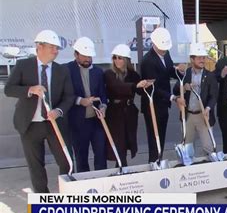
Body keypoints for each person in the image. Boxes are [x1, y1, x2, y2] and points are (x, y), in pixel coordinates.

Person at [4, 29, 75, 193]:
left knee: (66, 160)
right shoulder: (23, 65)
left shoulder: (62, 70)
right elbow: (9, 89)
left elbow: (69, 96)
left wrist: (59, 111)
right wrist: (30, 89)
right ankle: (44, 200)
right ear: (39, 47)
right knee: (36, 165)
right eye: (52, 47)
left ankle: (66, 195)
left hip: (54, 124)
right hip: (30, 124)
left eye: (57, 48)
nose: (56, 51)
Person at [140, 27, 185, 163]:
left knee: (162, 134)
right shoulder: (147, 61)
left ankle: (159, 158)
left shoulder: (166, 53)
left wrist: (179, 72)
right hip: (152, 104)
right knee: (154, 136)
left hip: (164, 104)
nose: (164, 50)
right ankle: (154, 162)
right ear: (153, 44)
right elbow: (153, 86)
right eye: (161, 47)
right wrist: (173, 97)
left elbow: (168, 71)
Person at [104, 44, 152, 166]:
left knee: (127, 141)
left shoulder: (133, 74)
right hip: (114, 113)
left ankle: (122, 166)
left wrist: (146, 84)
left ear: (126, 60)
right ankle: (121, 167)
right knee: (118, 142)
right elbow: (117, 87)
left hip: (129, 112)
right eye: (115, 58)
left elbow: (140, 92)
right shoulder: (109, 74)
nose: (117, 60)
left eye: (120, 58)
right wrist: (135, 86)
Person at [66, 37, 107, 173]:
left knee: (101, 154)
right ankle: (86, 186)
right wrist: (80, 101)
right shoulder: (67, 70)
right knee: (81, 157)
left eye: (89, 56)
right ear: (75, 54)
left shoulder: (98, 72)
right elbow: (64, 95)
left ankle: (102, 183)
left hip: (96, 121)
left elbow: (103, 95)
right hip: (78, 122)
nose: (87, 59)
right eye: (84, 56)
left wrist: (103, 107)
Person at [173, 42, 218, 155]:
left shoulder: (210, 76)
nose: (202, 60)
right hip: (188, 116)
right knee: (187, 149)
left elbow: (214, 96)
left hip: (204, 115)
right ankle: (190, 171)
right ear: (192, 59)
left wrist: (208, 108)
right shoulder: (185, 74)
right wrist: (184, 88)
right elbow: (175, 91)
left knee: (209, 148)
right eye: (199, 58)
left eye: (203, 57)